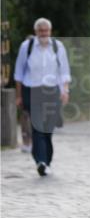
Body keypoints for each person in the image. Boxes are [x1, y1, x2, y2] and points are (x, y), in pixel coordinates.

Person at [13, 18, 72, 176]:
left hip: (52, 92)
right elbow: (19, 73)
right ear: (36, 32)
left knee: (48, 129)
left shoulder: (58, 46)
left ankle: (47, 160)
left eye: (46, 31)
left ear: (50, 31)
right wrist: (19, 95)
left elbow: (64, 71)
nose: (44, 34)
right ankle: (40, 161)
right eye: (41, 31)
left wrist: (65, 91)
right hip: (32, 90)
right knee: (37, 127)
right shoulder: (27, 47)